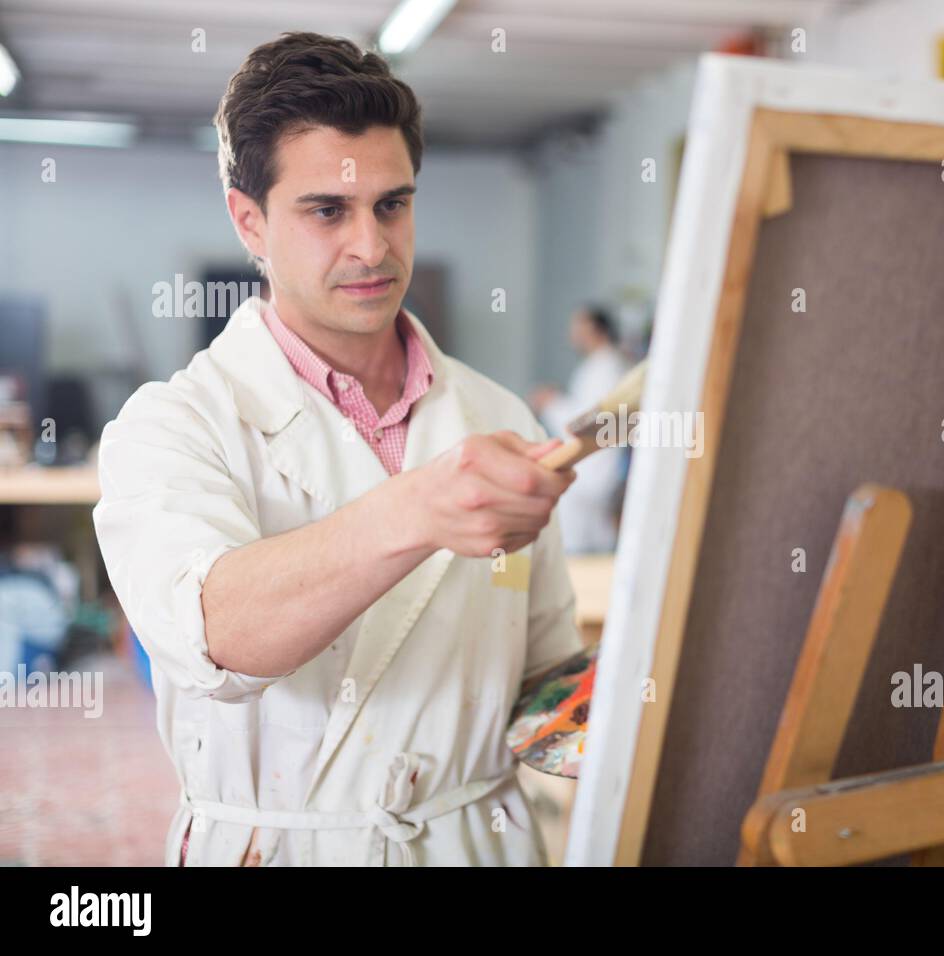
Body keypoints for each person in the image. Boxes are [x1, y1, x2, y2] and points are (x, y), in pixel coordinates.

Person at [91, 33, 581, 867]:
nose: (373, 246)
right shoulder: (172, 426)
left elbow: (544, 677)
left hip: (475, 842)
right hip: (273, 846)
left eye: (393, 204)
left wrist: (649, 705)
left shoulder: (493, 412)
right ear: (250, 220)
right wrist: (418, 507)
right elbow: (217, 635)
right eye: (328, 210)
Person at [531, 306, 631, 553]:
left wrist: (552, 402)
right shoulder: (599, 366)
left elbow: (591, 422)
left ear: (596, 329)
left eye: (579, 327)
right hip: (592, 466)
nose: (572, 334)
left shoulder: (607, 367)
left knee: (585, 542)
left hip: (595, 468)